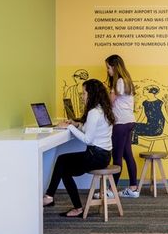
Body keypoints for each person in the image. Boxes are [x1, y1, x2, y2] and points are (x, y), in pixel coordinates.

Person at [42, 79, 114, 217]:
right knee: (63, 166)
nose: (82, 96)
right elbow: (90, 129)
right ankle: (53, 198)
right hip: (103, 155)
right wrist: (76, 124)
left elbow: (88, 139)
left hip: (96, 156)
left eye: (84, 93)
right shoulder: (102, 109)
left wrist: (68, 127)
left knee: (62, 163)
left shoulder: (94, 112)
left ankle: (51, 197)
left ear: (91, 94)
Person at [105, 54, 140, 198]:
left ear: (114, 67)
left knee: (117, 157)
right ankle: (133, 188)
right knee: (127, 155)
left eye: (108, 67)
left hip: (120, 123)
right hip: (129, 121)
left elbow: (110, 102)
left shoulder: (119, 82)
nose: (107, 71)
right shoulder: (127, 81)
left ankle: (111, 191)